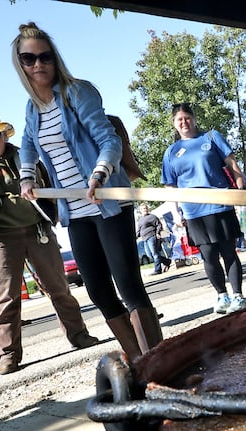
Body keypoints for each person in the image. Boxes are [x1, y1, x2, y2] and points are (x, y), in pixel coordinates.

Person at [12, 22, 162, 363]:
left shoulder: (78, 92)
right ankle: (141, 364)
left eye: (45, 56)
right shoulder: (32, 108)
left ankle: (162, 362)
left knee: (128, 285)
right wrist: (25, 178)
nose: (38, 64)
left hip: (108, 202)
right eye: (29, 58)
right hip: (75, 211)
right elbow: (27, 144)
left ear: (55, 57)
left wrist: (100, 173)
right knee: (97, 290)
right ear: (20, 64)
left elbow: (108, 138)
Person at [0, 113, 99, 375]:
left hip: (38, 230)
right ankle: (8, 354)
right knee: (6, 298)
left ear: (5, 134)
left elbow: (51, 183)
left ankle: (79, 335)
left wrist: (56, 212)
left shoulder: (28, 158)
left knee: (59, 287)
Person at [161, 102, 246, 314]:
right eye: (179, 120)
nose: (184, 122)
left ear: (194, 118)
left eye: (187, 118)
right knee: (208, 255)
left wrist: (241, 189)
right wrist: (175, 213)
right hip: (193, 211)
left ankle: (237, 295)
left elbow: (233, 165)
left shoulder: (211, 137)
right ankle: (221, 295)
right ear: (174, 124)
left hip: (220, 205)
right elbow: (170, 186)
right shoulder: (171, 152)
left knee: (229, 252)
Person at [137, 203, 172, 275]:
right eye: (143, 209)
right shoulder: (140, 220)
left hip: (152, 236)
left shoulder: (152, 217)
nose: (145, 210)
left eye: (146, 208)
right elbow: (139, 230)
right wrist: (136, 235)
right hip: (144, 239)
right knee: (149, 255)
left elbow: (159, 224)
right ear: (141, 210)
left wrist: (158, 233)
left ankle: (157, 270)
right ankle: (166, 261)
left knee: (155, 253)